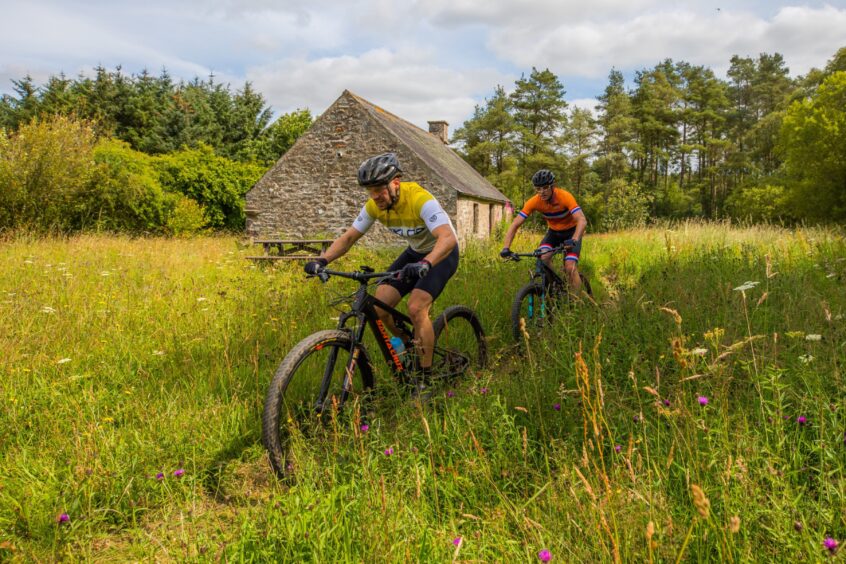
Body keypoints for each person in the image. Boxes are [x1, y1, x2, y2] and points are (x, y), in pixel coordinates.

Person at [304, 152, 459, 384]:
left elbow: (447, 238)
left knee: (416, 308)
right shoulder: (374, 206)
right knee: (380, 306)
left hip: (441, 253)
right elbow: (348, 238)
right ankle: (407, 343)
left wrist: (426, 263)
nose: (375, 196)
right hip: (415, 253)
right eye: (370, 190)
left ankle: (425, 378)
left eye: (379, 189)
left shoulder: (420, 199)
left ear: (396, 182)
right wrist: (322, 261)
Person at [500, 169, 587, 292]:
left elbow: (582, 220)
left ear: (552, 186)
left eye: (545, 187)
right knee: (543, 257)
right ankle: (556, 286)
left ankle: (577, 303)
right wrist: (506, 248)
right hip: (554, 233)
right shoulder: (534, 201)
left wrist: (574, 239)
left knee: (569, 267)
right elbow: (515, 224)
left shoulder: (565, 197)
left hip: (572, 233)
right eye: (538, 189)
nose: (542, 192)